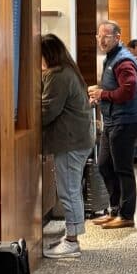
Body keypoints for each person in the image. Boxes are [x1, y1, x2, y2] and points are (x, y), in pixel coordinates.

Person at [41, 37, 95, 261]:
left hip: (70, 142)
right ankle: (71, 235)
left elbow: (47, 111)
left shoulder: (58, 76)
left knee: (69, 190)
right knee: (71, 189)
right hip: (78, 140)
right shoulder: (67, 71)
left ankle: (72, 241)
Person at [88, 21, 137, 230]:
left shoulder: (124, 61)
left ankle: (126, 214)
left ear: (117, 38)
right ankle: (115, 210)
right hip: (112, 120)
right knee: (104, 165)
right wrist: (100, 94)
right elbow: (116, 88)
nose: (101, 40)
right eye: (99, 36)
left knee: (123, 169)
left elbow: (128, 91)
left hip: (125, 121)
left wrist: (104, 94)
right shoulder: (111, 58)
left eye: (106, 36)